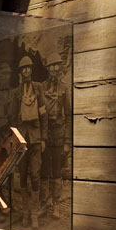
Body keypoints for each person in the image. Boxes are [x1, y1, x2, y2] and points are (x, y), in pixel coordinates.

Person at [13, 55, 46, 228]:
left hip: (35, 138)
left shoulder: (38, 88)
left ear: (32, 71)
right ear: (20, 72)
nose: (26, 71)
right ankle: (25, 211)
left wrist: (43, 138)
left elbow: (44, 114)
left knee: (35, 175)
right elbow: (12, 116)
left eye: (29, 68)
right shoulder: (17, 91)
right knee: (23, 177)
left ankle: (34, 213)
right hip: (21, 140)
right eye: (24, 69)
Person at [42, 55, 69, 216]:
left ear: (59, 68)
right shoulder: (42, 87)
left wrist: (67, 141)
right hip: (45, 134)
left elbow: (69, 116)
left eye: (56, 66)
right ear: (47, 68)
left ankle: (56, 204)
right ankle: (45, 203)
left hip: (59, 133)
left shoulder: (65, 88)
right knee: (45, 169)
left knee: (57, 170)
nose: (53, 69)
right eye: (51, 66)